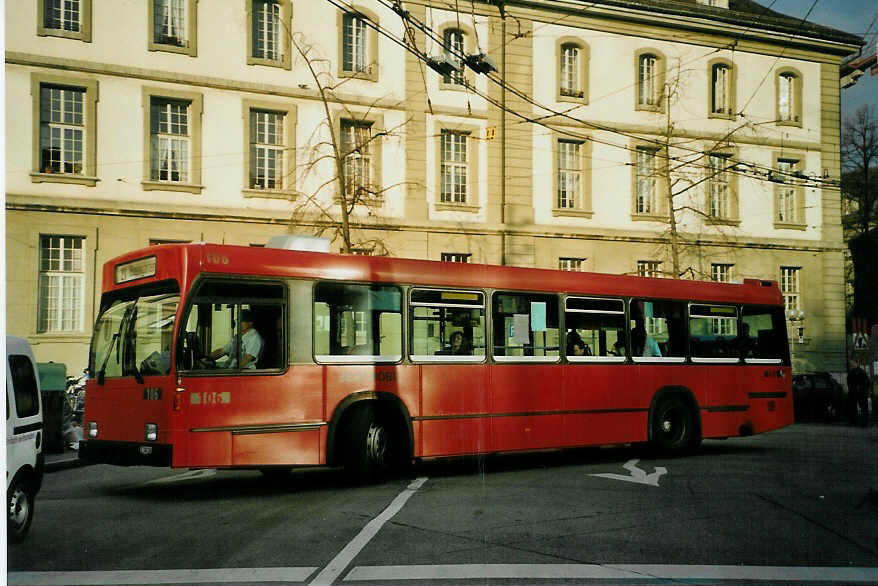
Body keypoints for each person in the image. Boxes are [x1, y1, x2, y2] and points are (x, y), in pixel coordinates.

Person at [847, 360, 871, 426]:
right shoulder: (861, 372)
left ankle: (857, 422)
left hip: (857, 392)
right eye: (851, 363)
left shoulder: (853, 372)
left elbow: (849, 382)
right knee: (862, 407)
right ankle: (862, 422)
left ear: (856, 363)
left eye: (852, 363)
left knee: (856, 407)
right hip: (859, 392)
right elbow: (867, 382)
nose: (851, 364)